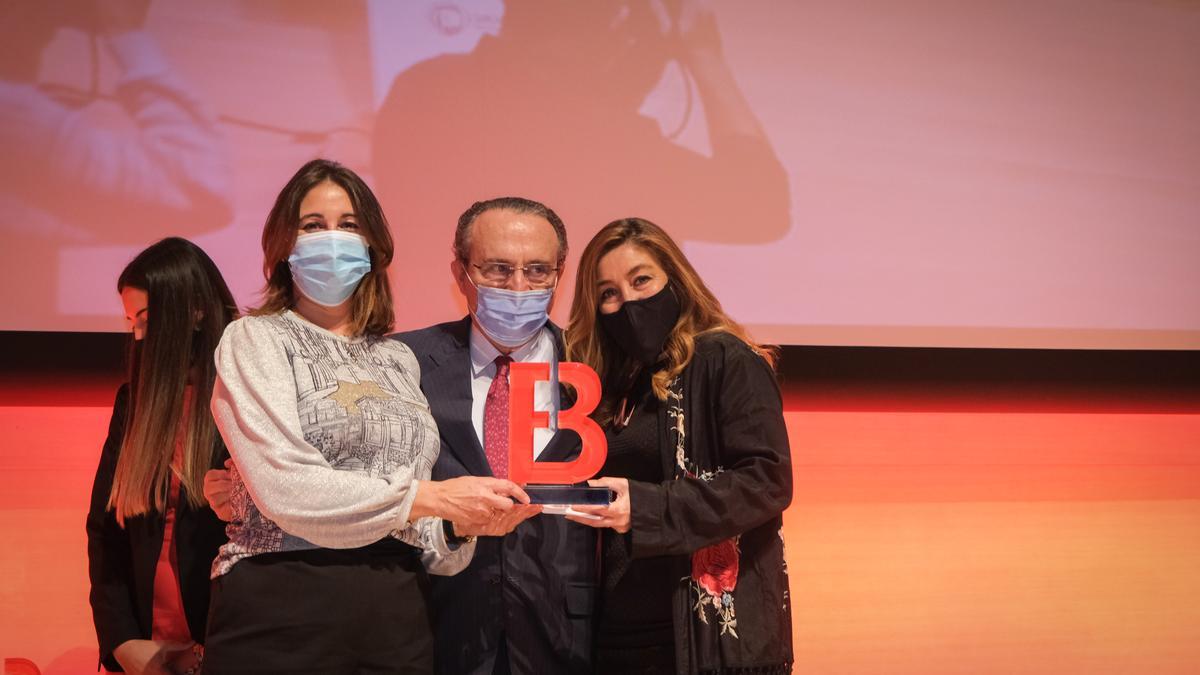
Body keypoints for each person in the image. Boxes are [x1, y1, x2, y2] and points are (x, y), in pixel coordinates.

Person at [202, 160, 538, 674]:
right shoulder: (254, 338)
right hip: (281, 602)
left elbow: (420, 523)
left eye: (349, 225)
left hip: (396, 608)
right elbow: (285, 487)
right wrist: (430, 498)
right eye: (313, 225)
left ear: (373, 247)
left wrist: (457, 524)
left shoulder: (396, 359)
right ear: (283, 245)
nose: (331, 239)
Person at [564, 217, 794, 674]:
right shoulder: (614, 381)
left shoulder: (726, 358)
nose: (627, 302)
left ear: (676, 278)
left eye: (641, 280)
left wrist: (645, 508)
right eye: (608, 293)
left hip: (705, 639)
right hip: (617, 634)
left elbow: (767, 482)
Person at [394, 197, 597, 674]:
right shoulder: (403, 362)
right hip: (438, 624)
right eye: (499, 269)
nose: (519, 286)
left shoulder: (598, 365)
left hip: (567, 631)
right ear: (460, 272)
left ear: (560, 274)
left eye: (538, 270)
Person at [86, 237, 237, 674]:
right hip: (146, 652)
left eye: (146, 319)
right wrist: (120, 641)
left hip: (228, 646)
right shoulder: (133, 403)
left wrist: (209, 649)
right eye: (131, 321)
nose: (137, 335)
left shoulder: (247, 399)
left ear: (196, 310)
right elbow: (104, 531)